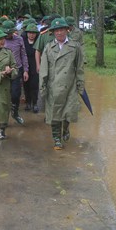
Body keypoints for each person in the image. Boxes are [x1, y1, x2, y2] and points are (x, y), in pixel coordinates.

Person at [39, 17, 85, 150]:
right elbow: (43, 69)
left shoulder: (75, 46)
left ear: (67, 30)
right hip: (53, 86)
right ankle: (56, 139)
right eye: (56, 30)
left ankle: (65, 129)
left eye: (62, 30)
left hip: (70, 85)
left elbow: (79, 67)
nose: (59, 33)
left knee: (68, 111)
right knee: (54, 113)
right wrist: (42, 86)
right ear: (53, 32)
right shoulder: (48, 48)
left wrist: (80, 85)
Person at [1, 20, 29, 125]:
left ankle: (15, 113)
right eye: (6, 33)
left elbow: (23, 55)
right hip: (3, 71)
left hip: (17, 69)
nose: (7, 35)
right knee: (3, 96)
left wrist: (26, 70)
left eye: (9, 33)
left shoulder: (19, 39)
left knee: (15, 94)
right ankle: (3, 118)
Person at [21, 23, 40, 113]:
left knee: (34, 85)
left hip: (35, 64)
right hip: (25, 65)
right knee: (26, 84)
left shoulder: (38, 41)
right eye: (30, 33)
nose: (31, 35)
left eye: (33, 33)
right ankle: (28, 103)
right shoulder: (23, 41)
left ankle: (35, 103)